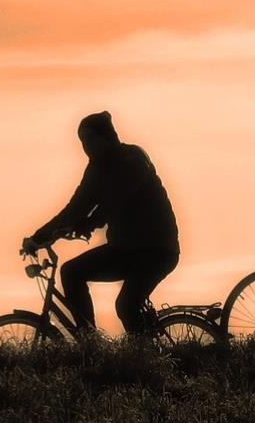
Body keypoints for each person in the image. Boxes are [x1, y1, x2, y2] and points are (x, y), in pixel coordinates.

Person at [27, 111, 181, 336]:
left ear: (106, 136)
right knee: (71, 272)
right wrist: (39, 237)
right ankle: (90, 344)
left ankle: (145, 360)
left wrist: (88, 224)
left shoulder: (132, 158)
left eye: (89, 139)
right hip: (125, 249)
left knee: (126, 305)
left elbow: (116, 201)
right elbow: (76, 206)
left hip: (156, 251)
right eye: (81, 141)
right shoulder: (96, 169)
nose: (85, 146)